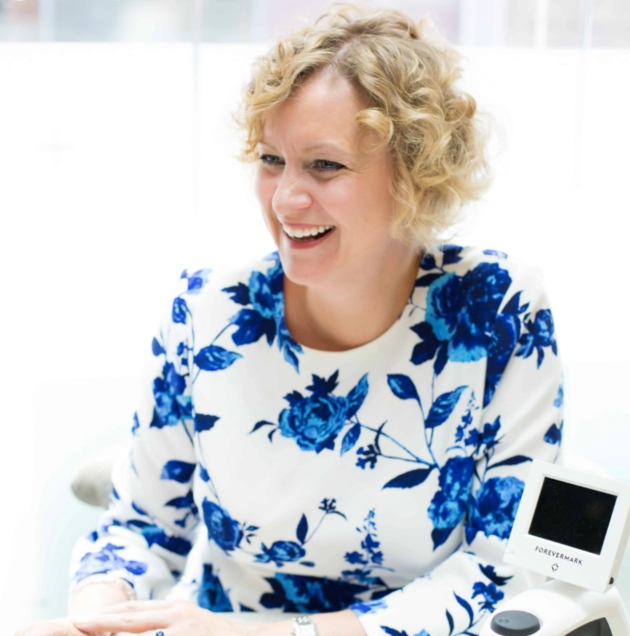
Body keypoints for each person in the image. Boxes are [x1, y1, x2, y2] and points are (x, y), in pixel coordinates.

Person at [17, 4, 564, 636]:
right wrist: (102, 612)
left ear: (415, 174)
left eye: (325, 165)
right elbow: (139, 527)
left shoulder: (498, 306)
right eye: (272, 160)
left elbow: (501, 570)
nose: (284, 199)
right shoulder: (208, 310)